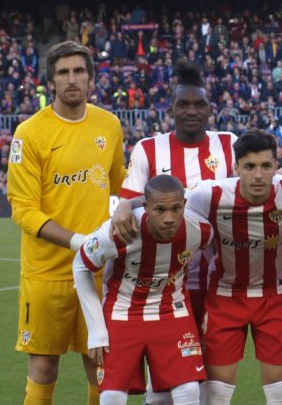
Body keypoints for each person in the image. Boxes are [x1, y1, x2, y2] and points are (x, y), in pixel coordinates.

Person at [112, 130, 282, 405]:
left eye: (266, 166)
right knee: (215, 395)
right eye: (249, 167)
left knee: (281, 394)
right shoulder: (210, 194)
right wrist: (127, 203)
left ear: (276, 166)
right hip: (226, 297)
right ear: (236, 168)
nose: (258, 175)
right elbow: (167, 198)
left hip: (275, 297)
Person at [8, 41, 126, 405]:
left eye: (79, 71)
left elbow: (121, 184)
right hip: (47, 274)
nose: (71, 79)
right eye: (63, 73)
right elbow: (24, 210)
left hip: (97, 273)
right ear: (51, 82)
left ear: (91, 79)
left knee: (100, 364)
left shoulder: (109, 124)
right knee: (44, 368)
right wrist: (79, 243)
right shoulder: (29, 134)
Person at [122, 60, 236, 405]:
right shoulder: (148, 149)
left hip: (218, 281)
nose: (191, 111)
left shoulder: (229, 144)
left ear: (210, 108)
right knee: (163, 379)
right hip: (165, 285)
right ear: (170, 109)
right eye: (183, 104)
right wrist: (122, 208)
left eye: (199, 104)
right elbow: (127, 207)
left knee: (207, 375)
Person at [73, 174, 212, 405]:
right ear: (146, 207)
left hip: (172, 310)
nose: (169, 218)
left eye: (176, 208)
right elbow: (80, 265)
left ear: (184, 206)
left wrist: (208, 307)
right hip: (122, 312)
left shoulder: (199, 229)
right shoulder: (119, 231)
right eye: (160, 210)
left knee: (188, 390)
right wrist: (96, 331)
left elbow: (214, 259)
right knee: (113, 396)